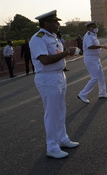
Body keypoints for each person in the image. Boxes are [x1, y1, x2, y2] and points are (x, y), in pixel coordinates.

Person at [29, 10, 79, 159]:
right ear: (46, 23)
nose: (58, 24)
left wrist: (64, 54)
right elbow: (44, 59)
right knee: (51, 113)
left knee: (60, 110)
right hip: (47, 78)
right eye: (55, 22)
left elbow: (55, 54)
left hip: (58, 75)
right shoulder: (38, 39)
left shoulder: (52, 37)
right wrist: (66, 53)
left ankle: (62, 139)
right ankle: (52, 146)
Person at [77, 20, 107, 104]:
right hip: (90, 59)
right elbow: (90, 46)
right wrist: (102, 46)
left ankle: (102, 93)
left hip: (95, 58)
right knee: (94, 78)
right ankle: (82, 94)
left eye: (96, 27)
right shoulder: (88, 35)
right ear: (89, 28)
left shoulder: (93, 35)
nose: (96, 28)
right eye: (94, 27)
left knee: (101, 77)